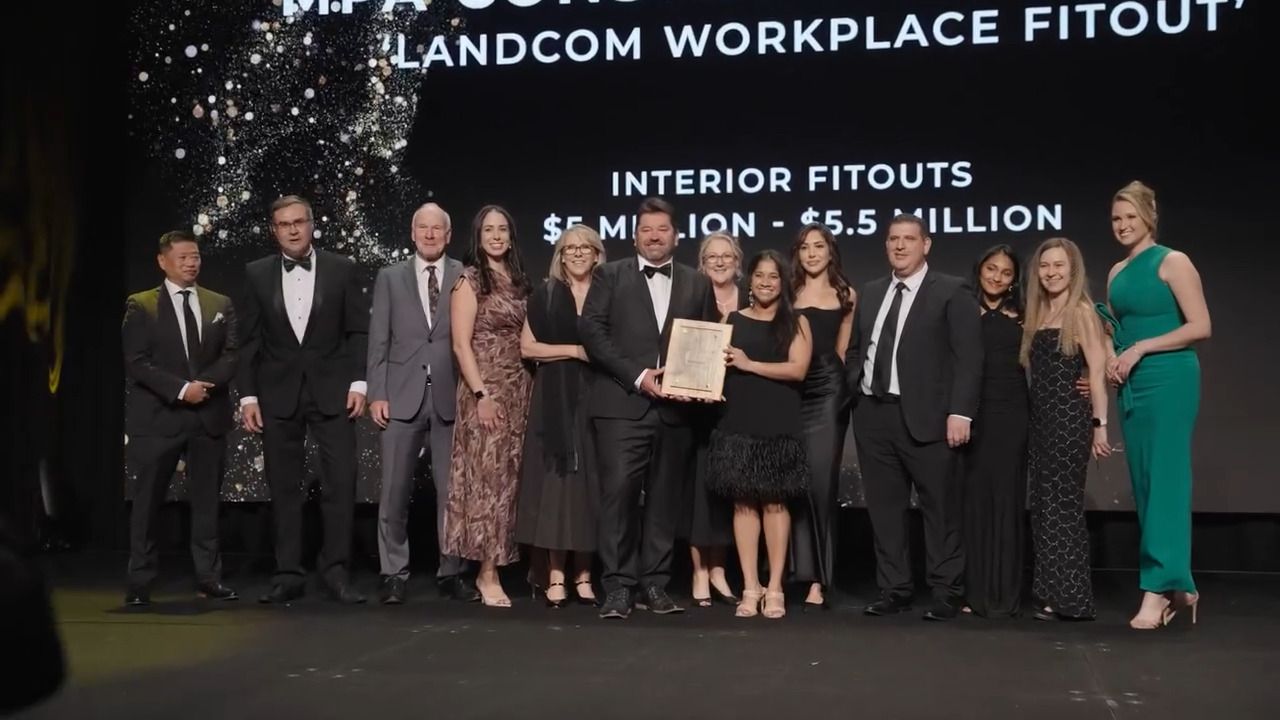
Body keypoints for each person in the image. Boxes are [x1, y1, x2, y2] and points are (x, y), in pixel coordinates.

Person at [579, 197, 719, 620]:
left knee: (664, 500)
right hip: (622, 404)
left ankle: (655, 584)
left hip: (676, 411)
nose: (654, 236)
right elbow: (592, 333)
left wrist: (698, 383)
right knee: (619, 496)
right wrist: (639, 375)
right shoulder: (609, 275)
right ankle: (618, 586)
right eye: (646, 230)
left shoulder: (697, 282)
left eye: (662, 229)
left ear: (676, 236)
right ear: (634, 236)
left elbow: (706, 337)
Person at [844, 214, 982, 621]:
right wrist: (856, 386)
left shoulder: (952, 290)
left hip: (930, 419)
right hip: (873, 414)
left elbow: (969, 358)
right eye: (893, 239)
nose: (900, 246)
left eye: (908, 239)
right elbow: (857, 348)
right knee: (885, 510)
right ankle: (895, 589)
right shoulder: (872, 291)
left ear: (927, 244)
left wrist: (960, 412)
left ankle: (946, 592)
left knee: (940, 509)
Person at [238, 195, 368, 605]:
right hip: (277, 392)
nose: (293, 230)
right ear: (273, 230)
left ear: (312, 224)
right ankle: (288, 574)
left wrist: (359, 383)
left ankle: (337, 572)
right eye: (284, 224)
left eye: (299, 222)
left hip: (334, 391)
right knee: (283, 487)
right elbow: (248, 340)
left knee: (340, 483)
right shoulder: (256, 273)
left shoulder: (342, 268)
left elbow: (357, 331)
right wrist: (248, 396)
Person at [1099, 180, 1210, 629]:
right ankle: (1181, 587)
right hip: (1133, 383)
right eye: (1116, 218)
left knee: (1165, 480)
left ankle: (1158, 589)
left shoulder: (1173, 261)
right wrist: (1113, 357)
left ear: (1150, 217)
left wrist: (1141, 348)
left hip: (1170, 378)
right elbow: (1117, 329)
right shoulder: (1116, 272)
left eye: (1131, 216)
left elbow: (1200, 326)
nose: (1123, 225)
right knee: (1145, 483)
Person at [366, 203, 477, 605]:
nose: (430, 235)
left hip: (450, 395)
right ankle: (393, 573)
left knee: (452, 493)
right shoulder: (390, 276)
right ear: (413, 234)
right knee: (394, 491)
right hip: (400, 395)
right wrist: (377, 392)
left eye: (437, 229)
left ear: (448, 235)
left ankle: (452, 572)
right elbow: (379, 338)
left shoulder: (465, 275)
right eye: (423, 228)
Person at [121, 230, 238, 605]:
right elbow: (136, 362)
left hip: (207, 416)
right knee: (147, 503)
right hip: (160, 417)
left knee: (207, 504)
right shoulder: (141, 305)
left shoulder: (219, 303)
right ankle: (140, 581)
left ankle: (209, 577)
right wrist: (181, 389)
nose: (191, 263)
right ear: (163, 261)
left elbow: (232, 354)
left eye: (196, 256)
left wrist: (204, 385)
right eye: (184, 257)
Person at [707, 250, 812, 619]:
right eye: (760, 275)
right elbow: (713, 366)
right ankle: (750, 587)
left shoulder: (796, 321)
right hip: (738, 421)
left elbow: (798, 369)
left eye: (774, 276)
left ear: (783, 283)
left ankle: (776, 587)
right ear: (749, 279)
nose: (766, 282)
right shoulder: (732, 319)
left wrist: (750, 364)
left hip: (778, 422)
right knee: (743, 504)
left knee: (775, 503)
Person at [442, 204, 534, 608]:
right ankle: (486, 573)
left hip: (521, 388)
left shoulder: (520, 280)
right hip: (485, 392)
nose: (496, 236)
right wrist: (481, 395)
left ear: (511, 237)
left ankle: (512, 562)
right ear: (478, 238)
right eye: (488, 231)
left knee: (512, 480)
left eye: (502, 230)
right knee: (488, 481)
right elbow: (461, 345)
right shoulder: (470, 280)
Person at [1022, 238, 1112, 621]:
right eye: (1045, 265)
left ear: (1073, 270)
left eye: (1059, 265)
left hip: (1069, 421)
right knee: (1043, 509)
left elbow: (1097, 372)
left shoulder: (1081, 312)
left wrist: (1100, 426)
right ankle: (1049, 594)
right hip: (1040, 422)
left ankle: (1073, 600)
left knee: (1064, 509)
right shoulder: (1038, 311)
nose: (1051, 272)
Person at [516, 224, 605, 608]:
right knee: (557, 486)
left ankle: (584, 575)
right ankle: (555, 575)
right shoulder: (547, 294)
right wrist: (575, 350)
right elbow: (528, 347)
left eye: (585, 247)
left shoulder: (609, 292)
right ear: (561, 256)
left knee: (589, 483)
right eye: (570, 248)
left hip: (598, 394)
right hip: (554, 397)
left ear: (597, 254)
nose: (578, 253)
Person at [960, 244, 1029, 618]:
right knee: (973, 503)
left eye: (1005, 272)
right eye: (991, 268)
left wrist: (1084, 376)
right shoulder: (961, 308)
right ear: (979, 269)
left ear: (1014, 280)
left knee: (1006, 500)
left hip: (1012, 415)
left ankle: (1004, 595)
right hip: (970, 414)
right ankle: (975, 593)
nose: (997, 277)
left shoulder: (1026, 314)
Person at [789, 223, 855, 611]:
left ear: (831, 251)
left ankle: (818, 578)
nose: (812, 253)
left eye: (818, 246)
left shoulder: (846, 295)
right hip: (789, 389)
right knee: (789, 482)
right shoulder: (787, 291)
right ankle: (790, 570)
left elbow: (844, 352)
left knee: (820, 483)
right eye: (804, 247)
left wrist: (842, 393)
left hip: (828, 392)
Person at [684, 231, 742, 608]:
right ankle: (699, 570)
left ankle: (719, 568)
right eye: (711, 256)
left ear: (738, 261)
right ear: (702, 263)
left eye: (726, 256)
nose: (719, 262)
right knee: (698, 492)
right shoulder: (692, 296)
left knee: (728, 490)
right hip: (696, 407)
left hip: (738, 406)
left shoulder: (752, 298)